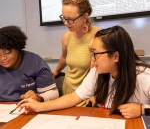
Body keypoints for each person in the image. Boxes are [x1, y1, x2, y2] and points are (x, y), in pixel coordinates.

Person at [19, 25, 150, 118]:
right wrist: (39, 106)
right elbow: (73, 97)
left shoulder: (144, 77)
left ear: (116, 56)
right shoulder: (97, 73)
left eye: (96, 54)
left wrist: (142, 109)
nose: (92, 59)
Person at [52, 0, 100, 96]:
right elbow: (64, 58)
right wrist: (56, 71)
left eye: (70, 19)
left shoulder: (97, 36)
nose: (66, 23)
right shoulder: (66, 37)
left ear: (84, 17)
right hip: (68, 90)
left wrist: (94, 96)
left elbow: (96, 71)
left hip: (88, 93)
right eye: (63, 18)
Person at [0, 26, 59, 102]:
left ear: (18, 48)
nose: (3, 58)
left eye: (7, 53)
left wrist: (39, 98)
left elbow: (53, 93)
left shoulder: (35, 62)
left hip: (27, 108)